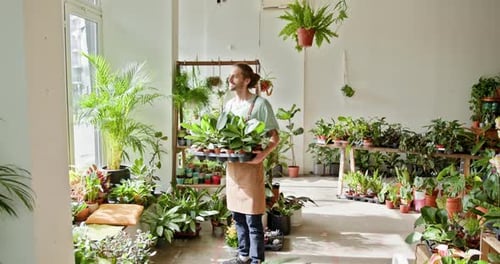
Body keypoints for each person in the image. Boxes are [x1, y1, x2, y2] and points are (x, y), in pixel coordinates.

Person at [222, 63, 280, 264]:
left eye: (234, 76)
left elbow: (275, 138)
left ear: (246, 80)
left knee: (252, 219)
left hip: (251, 167)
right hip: (233, 167)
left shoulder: (260, 105)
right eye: (230, 76)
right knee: (237, 217)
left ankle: (256, 260)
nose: (230, 79)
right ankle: (242, 256)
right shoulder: (229, 105)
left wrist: (260, 157)